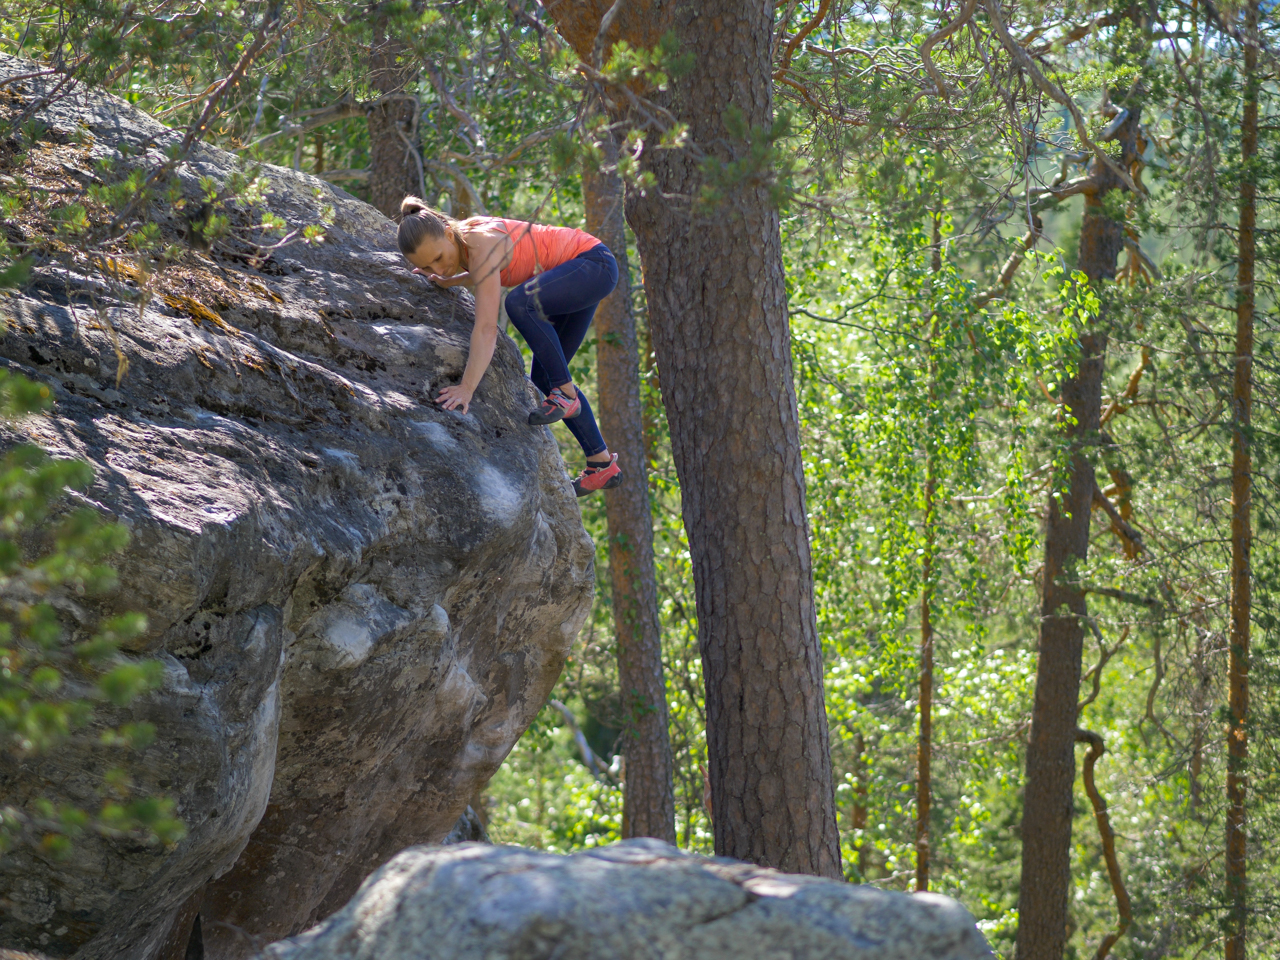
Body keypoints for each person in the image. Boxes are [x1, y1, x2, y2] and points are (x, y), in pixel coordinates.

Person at [396, 197, 622, 497]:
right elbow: (482, 272)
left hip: (593, 263)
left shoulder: (480, 244)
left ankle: (566, 394)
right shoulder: (465, 240)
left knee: (520, 303)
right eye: (425, 265)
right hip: (579, 273)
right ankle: (601, 464)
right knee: (545, 379)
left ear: (448, 234)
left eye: (437, 258)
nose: (437, 267)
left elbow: (487, 328)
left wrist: (467, 387)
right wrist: (447, 281)